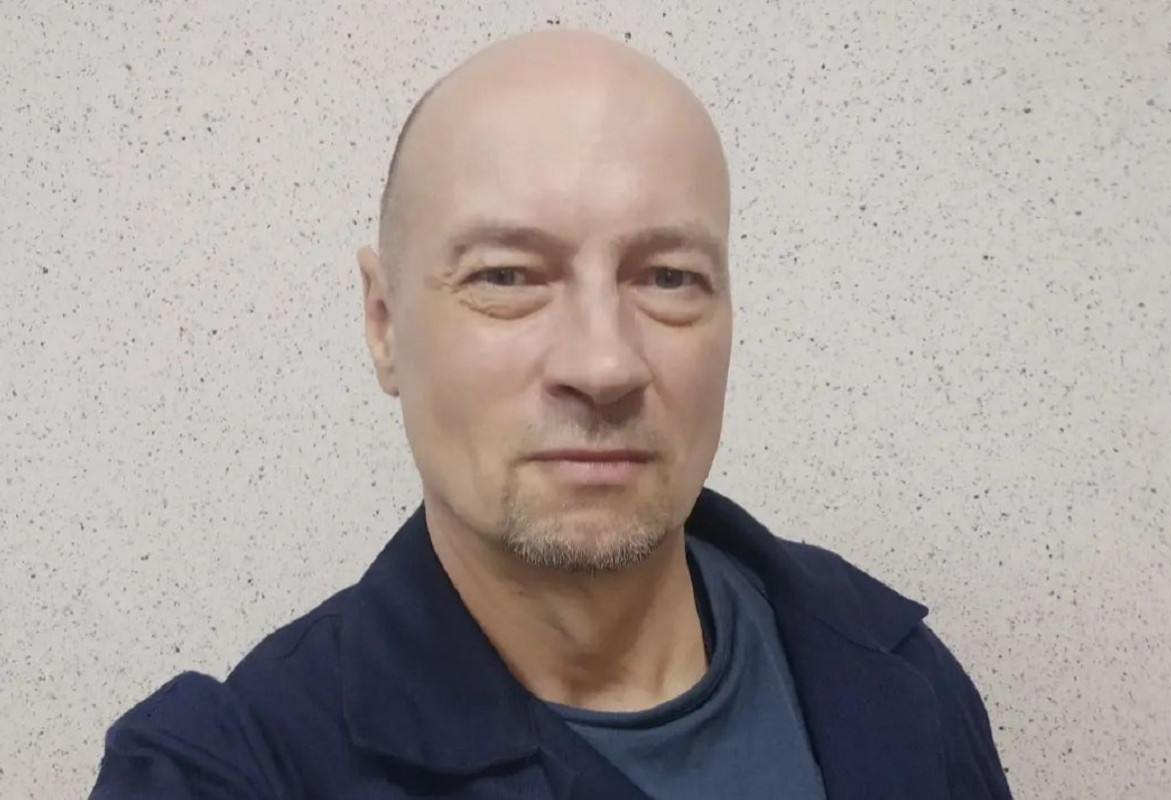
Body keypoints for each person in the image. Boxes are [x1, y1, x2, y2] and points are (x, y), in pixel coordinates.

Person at [90, 29, 1012, 800]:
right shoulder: (233, 770)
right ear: (384, 324)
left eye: (668, 278)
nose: (603, 365)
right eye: (507, 276)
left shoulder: (893, 666)